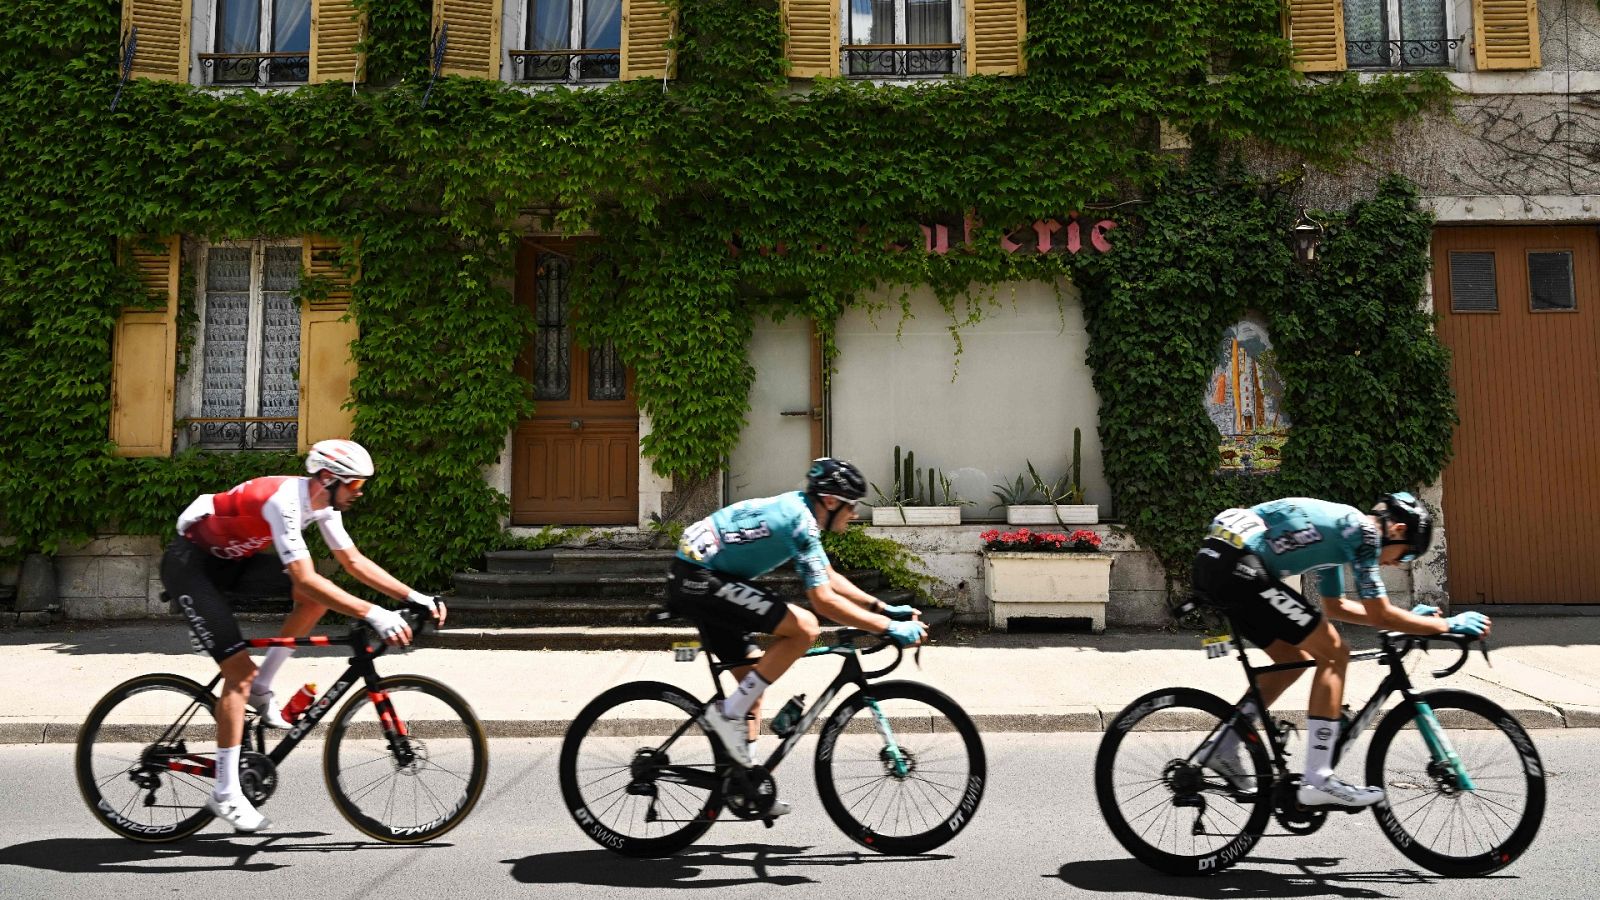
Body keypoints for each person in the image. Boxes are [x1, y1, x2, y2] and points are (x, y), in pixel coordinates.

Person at [159, 439, 445, 833]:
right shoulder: (285, 502)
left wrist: (414, 596)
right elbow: (304, 575)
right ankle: (225, 792)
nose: (359, 494)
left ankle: (262, 686)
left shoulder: (324, 504)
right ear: (328, 478)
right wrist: (374, 612)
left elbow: (353, 561)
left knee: (312, 602)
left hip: (233, 561)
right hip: (191, 566)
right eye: (356, 486)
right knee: (236, 674)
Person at [1190, 492, 1490, 809]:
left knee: (1292, 663)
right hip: (1241, 565)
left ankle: (1224, 745)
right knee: (1334, 652)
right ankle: (1317, 779)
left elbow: (1335, 606)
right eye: (1404, 556)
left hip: (1220, 561)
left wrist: (1411, 621)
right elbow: (1380, 614)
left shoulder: (1341, 532)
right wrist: (1448, 626)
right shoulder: (1364, 534)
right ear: (1398, 530)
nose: (1395, 563)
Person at [666, 458, 927, 815]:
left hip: (704, 576)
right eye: (852, 505)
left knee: (751, 688)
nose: (855, 514)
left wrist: (882, 609)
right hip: (700, 577)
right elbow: (823, 601)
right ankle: (728, 715)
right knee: (805, 627)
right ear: (832, 501)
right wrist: (890, 629)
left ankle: (744, 788)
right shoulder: (800, 521)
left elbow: (828, 575)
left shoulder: (803, 512)